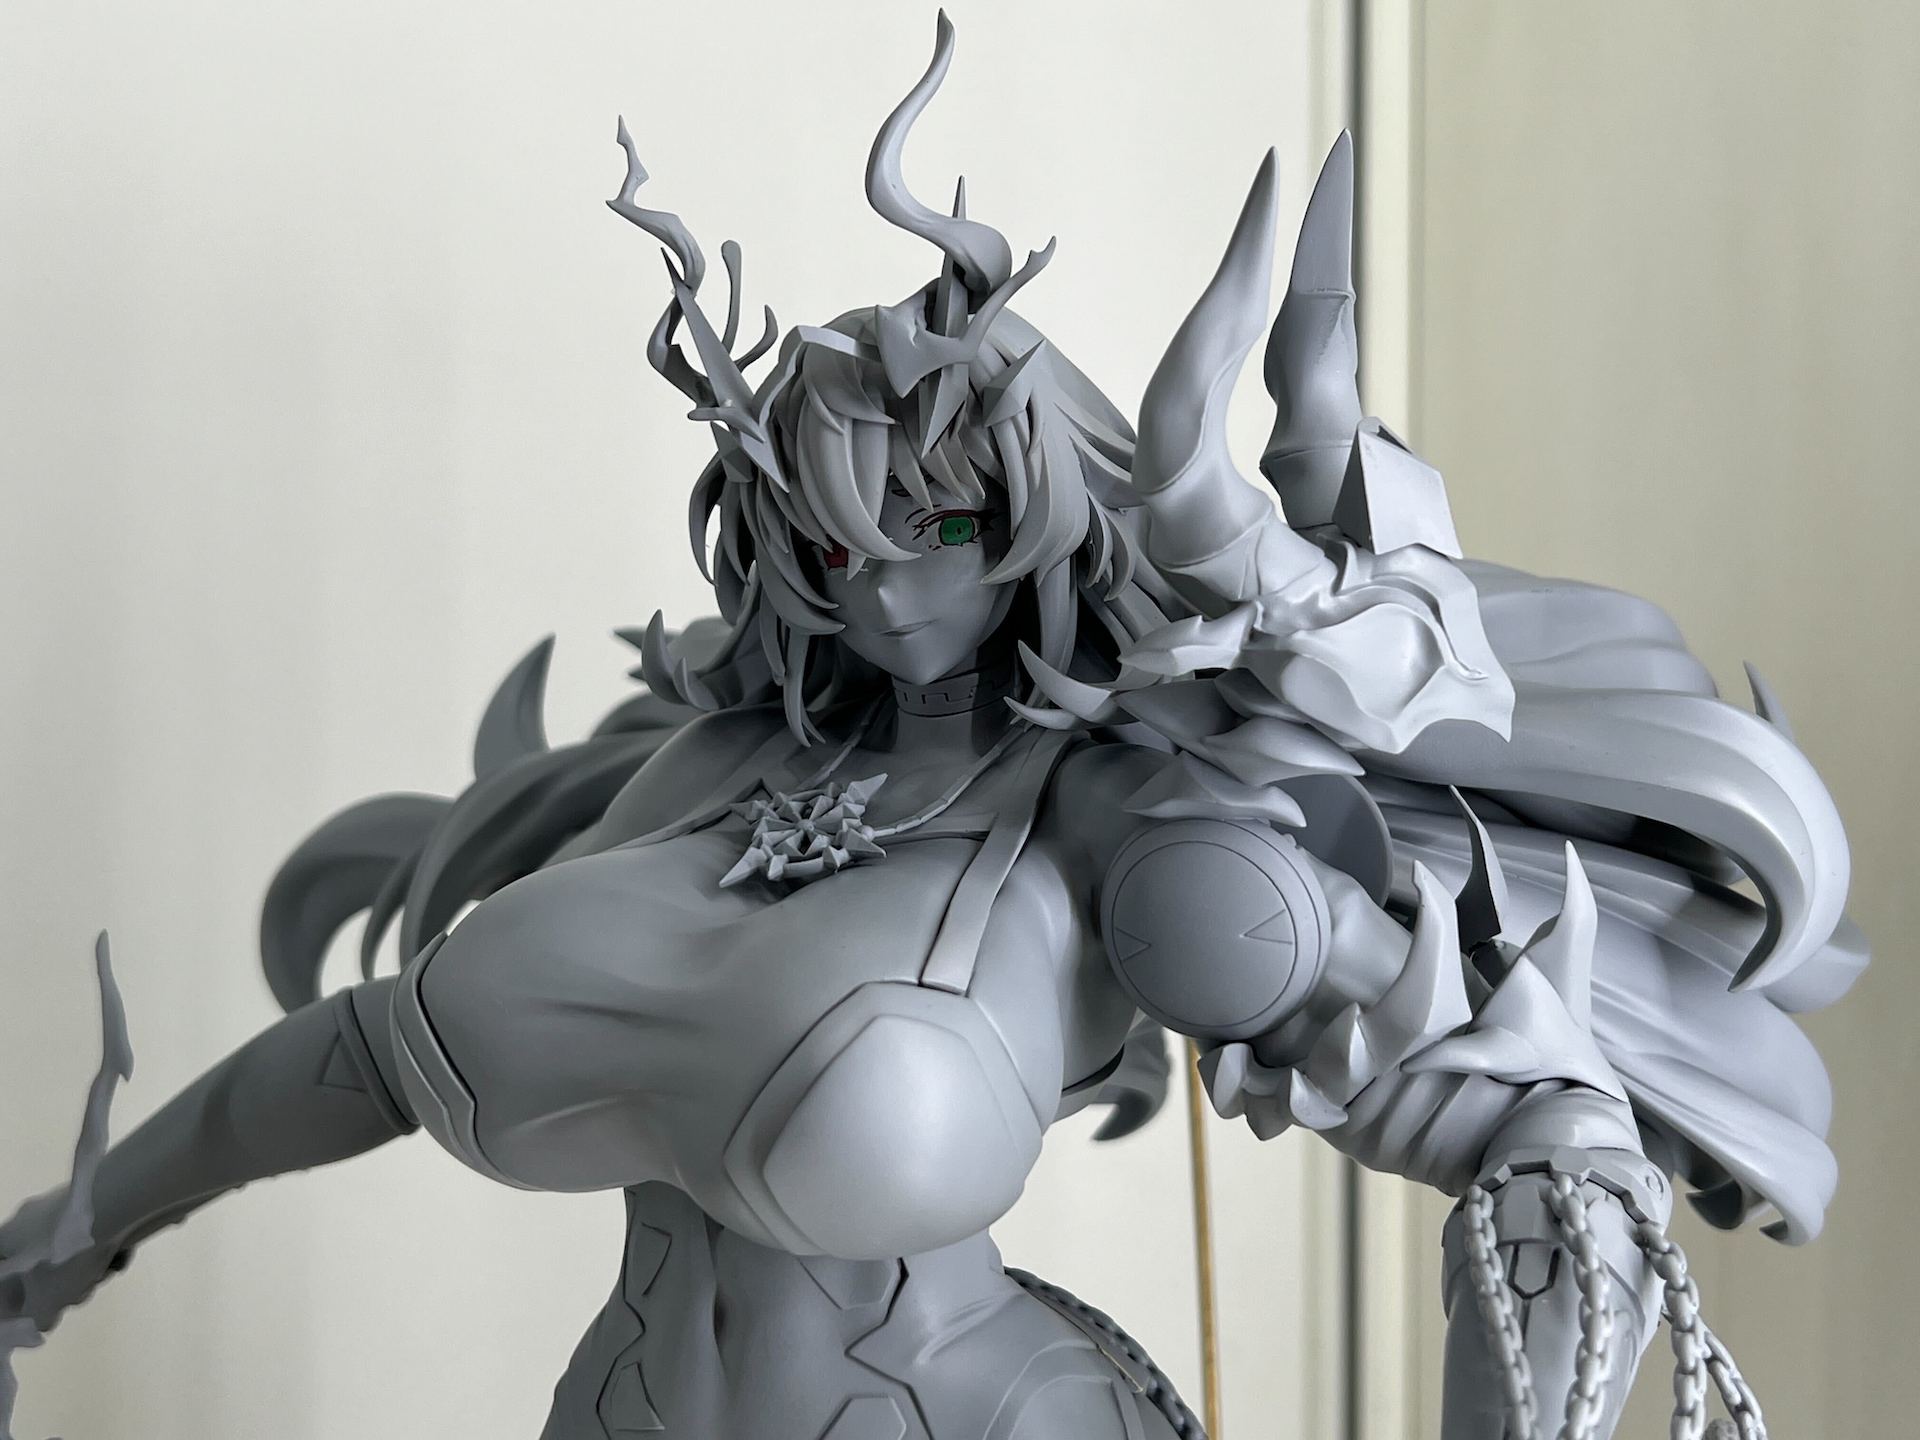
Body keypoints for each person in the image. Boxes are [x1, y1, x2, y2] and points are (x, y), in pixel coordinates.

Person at [0, 16, 1862, 1439]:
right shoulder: (708, 766)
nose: (884, 580)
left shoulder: (1128, 825)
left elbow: (1524, 1123)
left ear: (1030, 511)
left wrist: (1541, 1300)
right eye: (831, 537)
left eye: (941, 525)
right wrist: (74, 1235)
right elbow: (361, 1059)